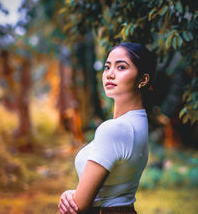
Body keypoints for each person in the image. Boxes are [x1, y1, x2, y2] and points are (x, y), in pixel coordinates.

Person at [58, 42, 157, 214]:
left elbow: (79, 206)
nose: (110, 74)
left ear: (143, 79)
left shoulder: (115, 129)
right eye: (107, 67)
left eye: (121, 67)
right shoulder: (138, 122)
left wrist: (71, 195)